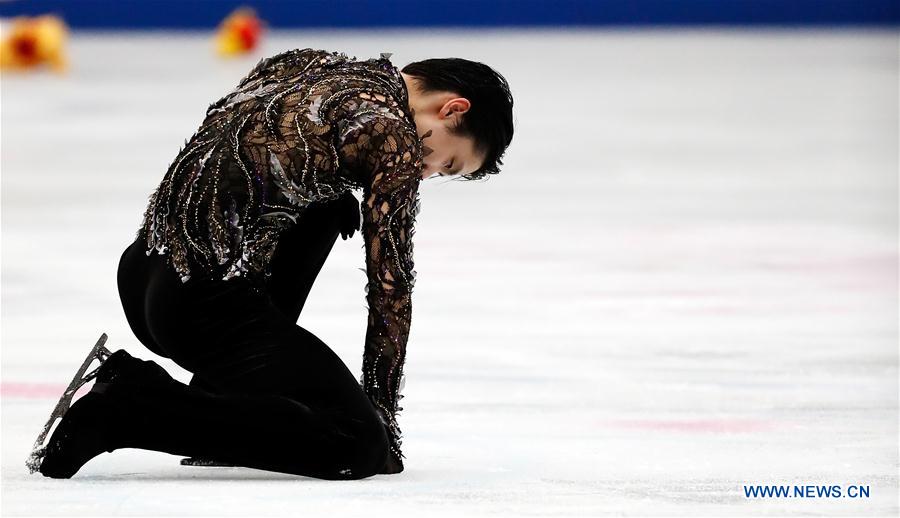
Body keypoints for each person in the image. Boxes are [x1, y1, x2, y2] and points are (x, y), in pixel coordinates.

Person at [27, 47, 514, 480]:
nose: (427, 172)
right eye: (446, 162)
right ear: (453, 108)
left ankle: (214, 397)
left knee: (330, 203)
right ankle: (126, 408)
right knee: (356, 444)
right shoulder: (390, 137)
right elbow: (391, 291)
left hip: (141, 275)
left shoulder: (305, 65)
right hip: (201, 311)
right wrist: (383, 426)